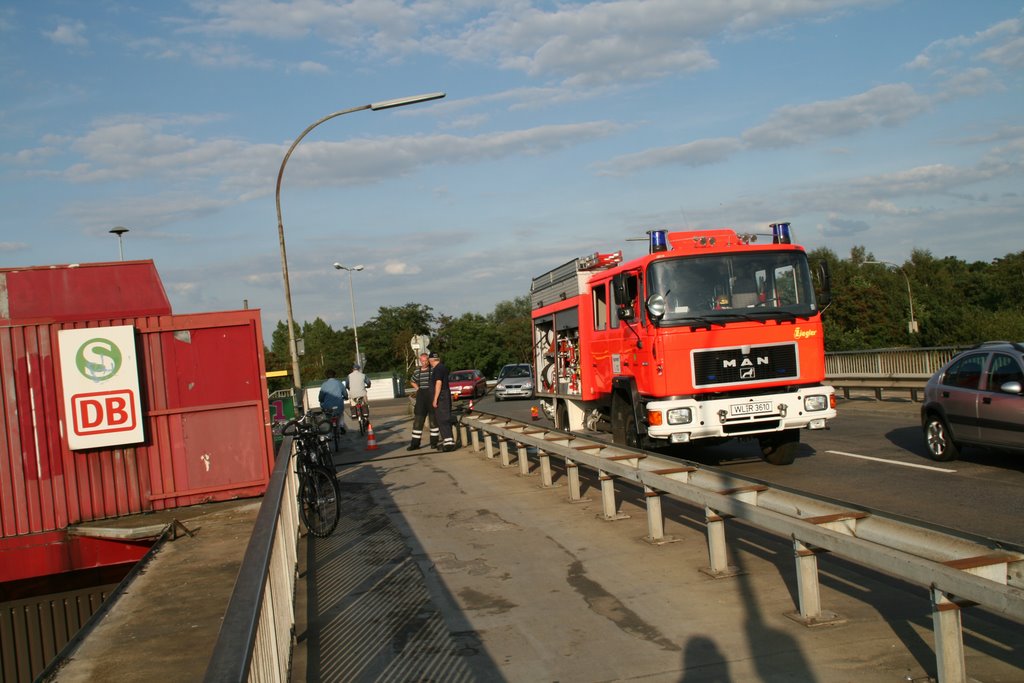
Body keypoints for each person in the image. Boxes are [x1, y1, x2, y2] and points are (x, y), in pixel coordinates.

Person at [407, 352, 439, 451]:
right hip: (421, 399)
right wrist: (417, 389)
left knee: (433, 422)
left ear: (428, 360)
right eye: (422, 361)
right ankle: (415, 444)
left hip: (431, 398)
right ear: (420, 361)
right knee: (418, 422)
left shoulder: (433, 370)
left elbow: (438, 382)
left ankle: (434, 443)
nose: (424, 363)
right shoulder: (417, 372)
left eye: (426, 361)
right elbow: (412, 381)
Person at [428, 351, 456, 451]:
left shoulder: (438, 369)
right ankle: (447, 441)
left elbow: (438, 383)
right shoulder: (442, 367)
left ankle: (449, 444)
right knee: (443, 418)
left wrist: (435, 399)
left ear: (431, 360)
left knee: (443, 419)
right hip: (444, 395)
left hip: (441, 397)